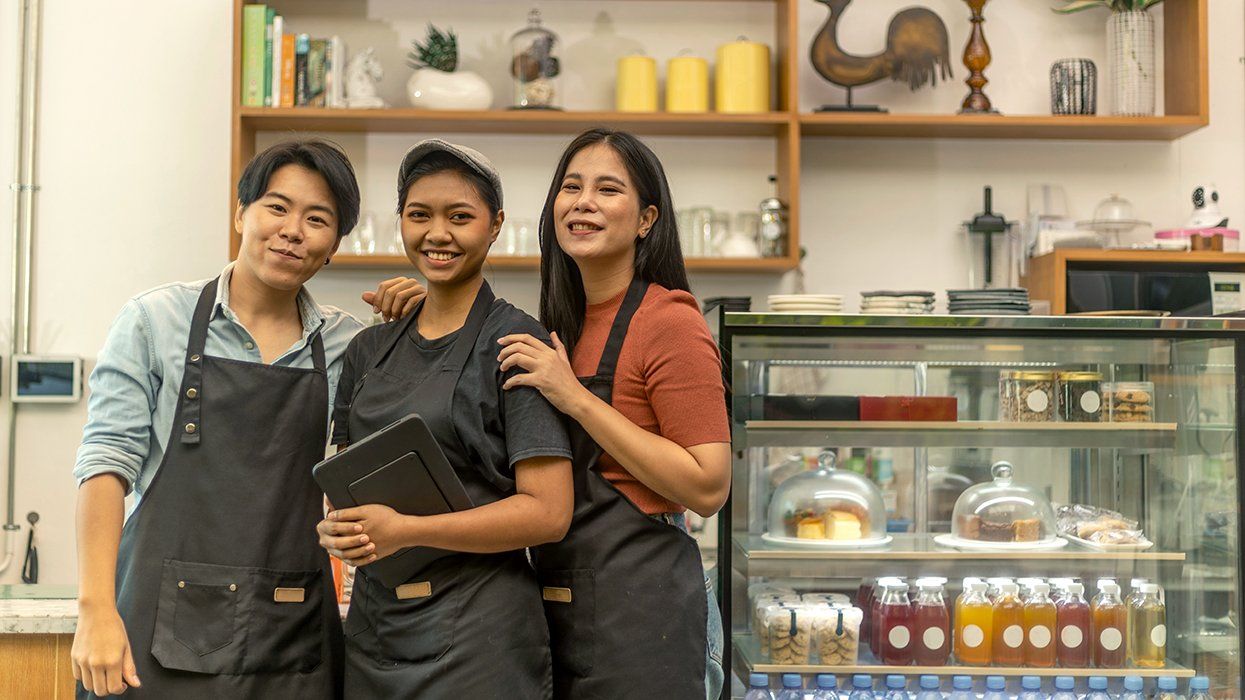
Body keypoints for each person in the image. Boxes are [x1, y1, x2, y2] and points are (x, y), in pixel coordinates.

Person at [71, 139, 424, 698]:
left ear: (334, 244)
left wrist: (417, 319)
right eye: (277, 207)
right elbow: (105, 466)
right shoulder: (153, 321)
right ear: (242, 212)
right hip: (152, 631)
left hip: (290, 638)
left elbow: (401, 447)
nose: (292, 230)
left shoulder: (349, 345)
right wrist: (95, 608)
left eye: (317, 219)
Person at [315, 139, 573, 698]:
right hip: (378, 629)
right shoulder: (370, 348)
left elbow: (549, 512)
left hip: (481, 635)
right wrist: (341, 527)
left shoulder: (515, 341)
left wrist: (406, 531)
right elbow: (343, 479)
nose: (438, 234)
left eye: (460, 217)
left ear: (495, 225)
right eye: (419, 215)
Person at [497, 128, 731, 698]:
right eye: (571, 186)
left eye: (608, 189)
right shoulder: (562, 324)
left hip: (643, 609)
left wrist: (574, 397)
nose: (584, 202)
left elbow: (708, 485)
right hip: (564, 599)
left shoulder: (669, 321)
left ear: (647, 219)